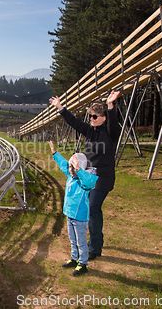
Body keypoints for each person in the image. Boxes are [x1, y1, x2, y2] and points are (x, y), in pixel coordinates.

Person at [49, 90, 121, 260]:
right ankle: (97, 241)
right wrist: (60, 107)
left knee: (93, 209)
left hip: (102, 178)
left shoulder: (110, 133)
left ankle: (94, 248)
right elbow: (74, 122)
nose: (91, 119)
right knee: (92, 210)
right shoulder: (89, 131)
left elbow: (114, 126)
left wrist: (110, 105)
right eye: (90, 116)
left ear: (104, 117)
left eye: (95, 116)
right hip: (87, 177)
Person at [49, 141, 98, 276]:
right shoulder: (70, 175)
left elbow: (88, 181)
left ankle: (83, 264)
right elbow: (63, 164)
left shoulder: (85, 181)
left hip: (80, 217)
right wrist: (55, 153)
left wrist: (78, 170)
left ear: (79, 168)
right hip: (69, 215)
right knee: (72, 239)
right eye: (70, 167)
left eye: (72, 167)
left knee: (81, 241)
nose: (69, 169)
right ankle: (74, 258)